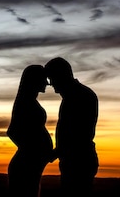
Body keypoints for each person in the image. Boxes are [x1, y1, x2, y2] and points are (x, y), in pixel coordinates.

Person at [45, 56, 98, 197]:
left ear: (61, 75)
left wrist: (53, 154)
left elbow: (79, 135)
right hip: (73, 160)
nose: (51, 85)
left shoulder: (81, 96)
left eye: (52, 79)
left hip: (79, 162)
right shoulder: (74, 96)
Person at [7, 64, 54, 197]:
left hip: (32, 164)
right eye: (43, 79)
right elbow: (12, 131)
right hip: (25, 166)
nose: (47, 83)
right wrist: (33, 152)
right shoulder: (25, 103)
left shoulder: (31, 102)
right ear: (34, 80)